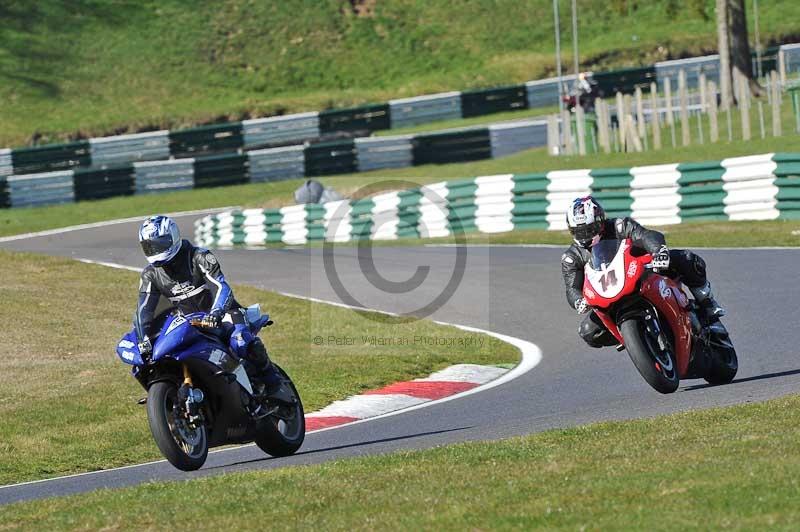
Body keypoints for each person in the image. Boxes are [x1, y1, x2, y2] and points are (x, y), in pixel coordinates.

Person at [134, 215, 281, 396]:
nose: (155, 250)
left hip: (223, 313)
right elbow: (144, 309)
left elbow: (222, 287)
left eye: (159, 244)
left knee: (240, 341)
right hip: (189, 323)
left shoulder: (199, 256)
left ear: (173, 237)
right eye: (149, 246)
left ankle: (273, 382)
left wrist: (216, 312)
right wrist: (143, 339)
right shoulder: (150, 274)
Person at [561, 196, 725, 349]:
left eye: (589, 230)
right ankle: (634, 338)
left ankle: (707, 302)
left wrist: (658, 251)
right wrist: (578, 301)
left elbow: (645, 235)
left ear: (600, 222)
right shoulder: (572, 257)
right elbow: (572, 287)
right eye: (578, 232)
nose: (584, 236)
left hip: (643, 274)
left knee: (686, 259)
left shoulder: (620, 226)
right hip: (608, 295)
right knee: (589, 331)